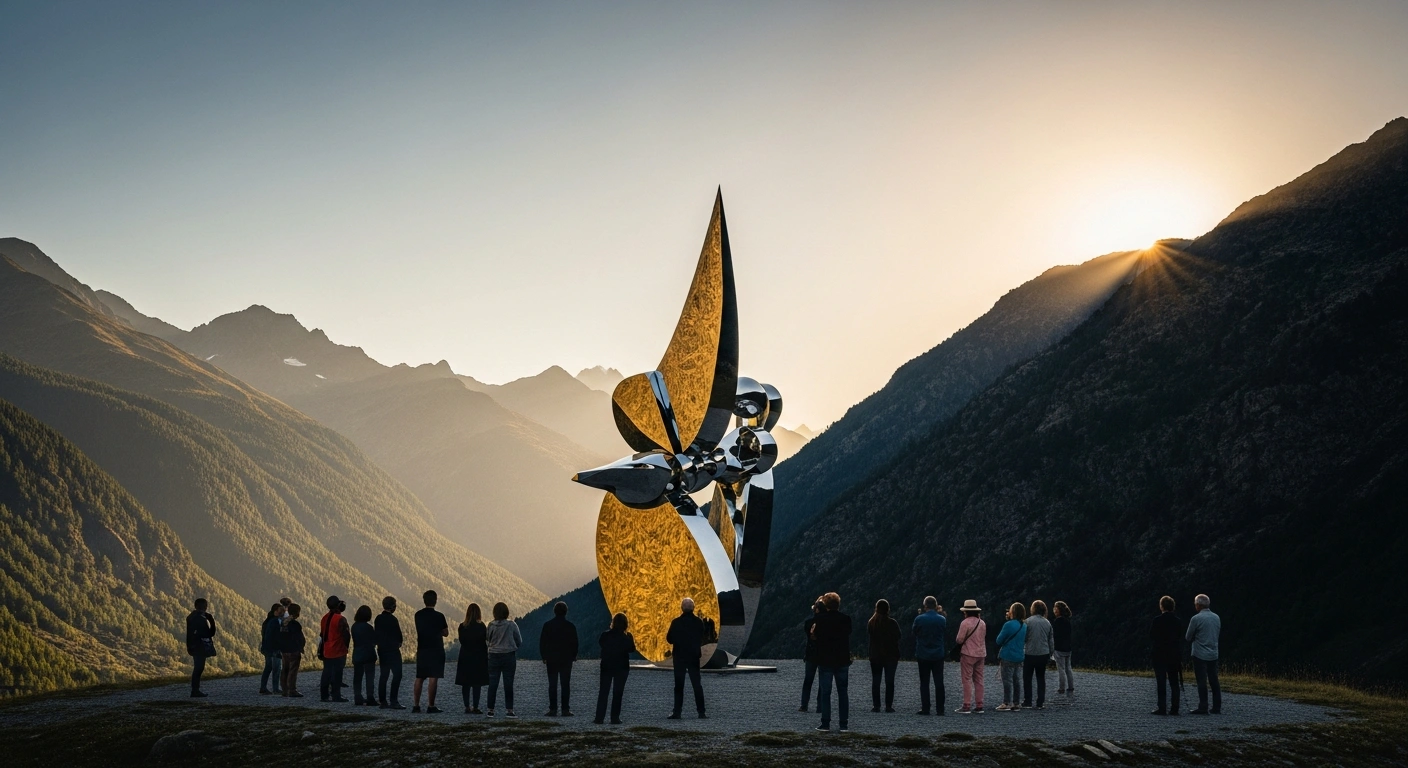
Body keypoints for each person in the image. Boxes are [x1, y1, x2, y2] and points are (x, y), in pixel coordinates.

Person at [812, 592, 853, 732]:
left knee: (825, 692)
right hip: (842, 659)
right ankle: (843, 724)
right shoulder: (846, 619)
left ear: (826, 604)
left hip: (825, 659)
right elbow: (848, 633)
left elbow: (814, 636)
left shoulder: (820, 619)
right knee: (843, 692)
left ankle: (825, 723)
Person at [666, 597, 706, 719]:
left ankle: (677, 712)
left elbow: (669, 639)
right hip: (693, 657)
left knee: (679, 685)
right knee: (697, 685)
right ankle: (701, 712)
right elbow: (703, 637)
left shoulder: (676, 622)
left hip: (679, 657)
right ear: (693, 608)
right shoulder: (699, 622)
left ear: (681, 608)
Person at [539, 601, 579, 716]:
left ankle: (553, 709)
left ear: (554, 611)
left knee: (552, 684)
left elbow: (543, 642)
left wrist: (544, 656)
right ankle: (565, 709)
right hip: (566, 659)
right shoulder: (570, 626)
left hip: (551, 659)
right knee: (565, 684)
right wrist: (573, 656)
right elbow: (575, 643)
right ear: (566, 612)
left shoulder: (547, 625)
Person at [595, 612, 636, 724]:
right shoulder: (627, 637)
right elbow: (632, 649)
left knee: (603, 691)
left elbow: (601, 643)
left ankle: (599, 717)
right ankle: (615, 718)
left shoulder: (605, 635)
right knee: (618, 692)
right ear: (625, 624)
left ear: (613, 623)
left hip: (606, 665)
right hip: (621, 667)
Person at [413, 590, 450, 713]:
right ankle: (431, 705)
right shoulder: (439, 616)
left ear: (424, 600)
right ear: (435, 600)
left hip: (422, 648)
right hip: (436, 649)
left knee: (420, 677)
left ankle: (416, 705)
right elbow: (445, 633)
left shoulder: (418, 615)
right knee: (433, 678)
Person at [1186, 593, 1222, 715]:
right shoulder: (1216, 617)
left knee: (1201, 680)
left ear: (1198, 605)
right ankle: (1217, 707)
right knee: (1214, 680)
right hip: (1213, 653)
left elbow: (1188, 636)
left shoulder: (1196, 619)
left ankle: (1203, 706)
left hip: (1199, 653)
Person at [486, 601, 523, 718]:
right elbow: (519, 640)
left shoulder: (491, 625)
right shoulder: (512, 625)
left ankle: (490, 710)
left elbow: (487, 640)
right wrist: (513, 647)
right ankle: (509, 710)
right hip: (508, 656)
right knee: (508, 683)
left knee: (493, 683)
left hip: (493, 656)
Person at [912, 596, 947, 716]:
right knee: (939, 682)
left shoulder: (919, 619)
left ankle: (925, 708)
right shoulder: (942, 619)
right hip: (938, 654)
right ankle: (940, 709)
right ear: (936, 605)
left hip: (923, 653)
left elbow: (915, 632)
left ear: (925, 605)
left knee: (924, 682)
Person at [1151, 595, 1184, 715]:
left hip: (1159, 653)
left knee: (1161, 681)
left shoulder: (1157, 620)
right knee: (1174, 682)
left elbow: (1152, 636)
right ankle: (1175, 708)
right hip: (1174, 654)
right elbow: (1180, 636)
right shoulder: (1178, 621)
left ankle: (1162, 707)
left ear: (1162, 606)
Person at [867, 598, 900, 713]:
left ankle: (876, 706)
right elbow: (898, 636)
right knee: (889, 681)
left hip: (875, 655)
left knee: (876, 680)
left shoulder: (872, 622)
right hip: (890, 656)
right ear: (888, 609)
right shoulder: (892, 623)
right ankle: (888, 705)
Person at [954, 599, 986, 714]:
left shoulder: (965, 623)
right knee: (979, 679)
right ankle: (979, 705)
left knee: (967, 679)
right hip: (981, 653)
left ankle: (966, 705)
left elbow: (959, 639)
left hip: (968, 653)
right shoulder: (982, 622)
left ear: (965, 611)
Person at [993, 602, 1027, 711]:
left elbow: (999, 640)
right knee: (1017, 680)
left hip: (1008, 655)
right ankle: (1016, 703)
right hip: (1019, 655)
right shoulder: (1024, 626)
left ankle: (1006, 702)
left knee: (1007, 680)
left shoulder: (1008, 625)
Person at [456, 603, 489, 714]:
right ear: (479, 613)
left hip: (465, 656)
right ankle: (475, 707)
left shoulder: (462, 626)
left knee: (466, 683)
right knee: (476, 683)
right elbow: (485, 640)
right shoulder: (482, 626)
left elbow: (461, 641)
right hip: (478, 656)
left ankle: (467, 706)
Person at [375, 596, 406, 709]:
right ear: (393, 606)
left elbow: (376, 634)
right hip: (393, 651)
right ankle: (394, 701)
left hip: (382, 650)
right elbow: (399, 636)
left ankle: (383, 701)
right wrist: (398, 643)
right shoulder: (393, 619)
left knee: (384, 675)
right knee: (397, 675)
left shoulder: (378, 618)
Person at [1023, 600, 1053, 710]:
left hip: (1029, 653)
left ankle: (1028, 701)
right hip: (1043, 653)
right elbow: (1050, 640)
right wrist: (1051, 653)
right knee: (1041, 678)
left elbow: (1024, 638)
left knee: (1027, 678)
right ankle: (1040, 701)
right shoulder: (1047, 623)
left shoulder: (1027, 622)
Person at [320, 596, 350, 702]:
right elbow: (346, 635)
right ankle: (336, 695)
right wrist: (346, 647)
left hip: (327, 649)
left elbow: (322, 634)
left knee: (326, 672)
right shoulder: (340, 619)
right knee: (337, 673)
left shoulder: (324, 618)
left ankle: (324, 695)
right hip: (338, 649)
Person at [186, 597, 216, 698]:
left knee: (198, 668)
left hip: (194, 646)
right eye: (205, 606)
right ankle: (195, 690)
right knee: (199, 668)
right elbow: (210, 633)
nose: (206, 608)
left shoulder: (191, 617)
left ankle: (195, 690)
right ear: (203, 607)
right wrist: (211, 620)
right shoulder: (200, 618)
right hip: (200, 646)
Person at [799, 597, 824, 712]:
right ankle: (820, 706)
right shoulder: (827, 624)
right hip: (824, 655)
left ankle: (804, 705)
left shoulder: (808, 623)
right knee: (822, 682)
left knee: (808, 681)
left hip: (811, 654)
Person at [350, 605, 378, 706]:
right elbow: (374, 640)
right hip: (368, 654)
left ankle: (358, 697)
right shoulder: (369, 627)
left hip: (357, 653)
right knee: (369, 677)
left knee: (357, 677)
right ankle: (370, 697)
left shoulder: (354, 626)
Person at [279, 603, 306, 697]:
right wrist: (301, 647)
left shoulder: (283, 623)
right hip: (294, 650)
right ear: (297, 613)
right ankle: (292, 690)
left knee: (285, 669)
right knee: (293, 670)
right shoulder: (295, 625)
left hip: (284, 650)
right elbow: (299, 638)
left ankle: (284, 690)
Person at [259, 603, 285, 695]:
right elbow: (276, 635)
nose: (282, 612)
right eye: (280, 610)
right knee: (277, 668)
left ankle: (263, 687)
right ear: (276, 611)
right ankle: (275, 688)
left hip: (267, 647)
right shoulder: (275, 621)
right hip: (274, 648)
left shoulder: (268, 621)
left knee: (268, 667)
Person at [1052, 601, 1074, 698]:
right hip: (1068, 648)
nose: (1054, 610)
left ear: (1059, 609)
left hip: (1059, 648)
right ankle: (1071, 686)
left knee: (1061, 668)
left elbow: (1054, 635)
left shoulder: (1057, 621)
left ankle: (1061, 687)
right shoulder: (1067, 621)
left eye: (1055, 608)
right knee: (1068, 668)